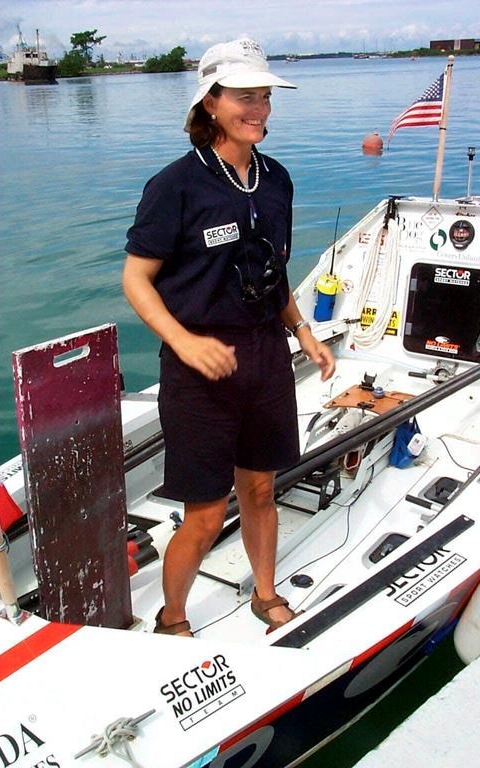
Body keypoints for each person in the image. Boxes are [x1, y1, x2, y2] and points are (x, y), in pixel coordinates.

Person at [123, 37, 335, 637]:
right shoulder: (175, 185)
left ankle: (265, 594)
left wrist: (303, 330)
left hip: (266, 355)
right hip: (200, 365)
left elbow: (272, 269)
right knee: (206, 513)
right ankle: (172, 615)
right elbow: (136, 279)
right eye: (246, 97)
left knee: (262, 489)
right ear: (210, 102)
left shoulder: (277, 179)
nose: (260, 109)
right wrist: (183, 341)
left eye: (265, 96)